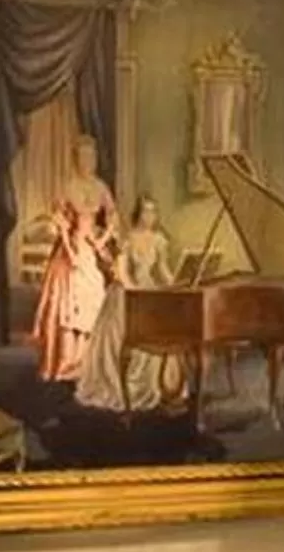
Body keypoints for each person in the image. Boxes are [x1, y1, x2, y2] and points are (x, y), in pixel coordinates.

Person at [76, 195, 182, 413]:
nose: (150, 216)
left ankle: (165, 386)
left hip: (148, 289)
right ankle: (125, 388)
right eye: (146, 211)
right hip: (127, 291)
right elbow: (122, 274)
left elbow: (162, 271)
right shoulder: (128, 239)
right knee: (125, 329)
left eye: (153, 211)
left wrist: (177, 283)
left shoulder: (159, 240)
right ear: (138, 214)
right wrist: (137, 293)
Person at [33, 135, 118, 382]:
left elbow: (113, 216)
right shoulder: (68, 186)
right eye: (83, 157)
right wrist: (71, 252)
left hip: (91, 250)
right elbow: (59, 222)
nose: (87, 161)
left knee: (95, 299)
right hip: (71, 251)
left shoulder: (101, 187)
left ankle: (89, 362)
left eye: (91, 157)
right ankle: (67, 363)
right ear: (76, 160)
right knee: (70, 303)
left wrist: (101, 241)